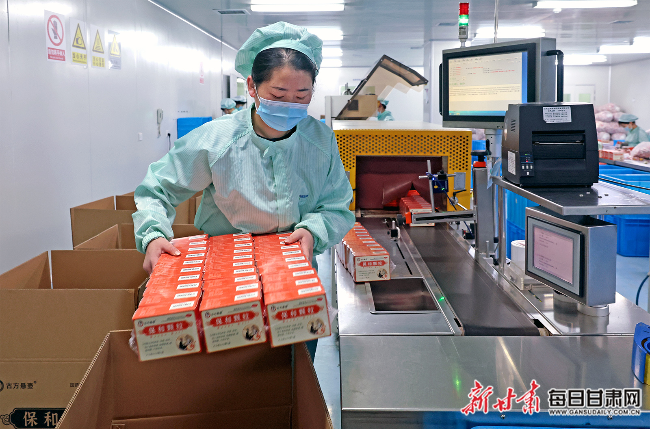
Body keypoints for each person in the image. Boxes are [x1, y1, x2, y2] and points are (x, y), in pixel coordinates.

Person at [132, 22, 355, 361]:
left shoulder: (320, 141)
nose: (290, 106)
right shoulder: (217, 140)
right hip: (225, 282)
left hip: (293, 279)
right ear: (252, 86)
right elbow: (157, 188)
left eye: (302, 97)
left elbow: (336, 205)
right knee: (234, 374)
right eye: (278, 95)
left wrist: (313, 231)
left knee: (293, 373)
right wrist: (152, 235)